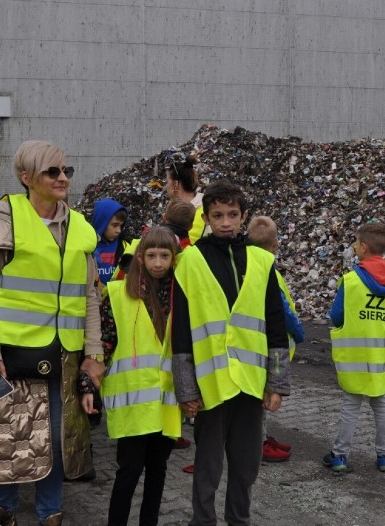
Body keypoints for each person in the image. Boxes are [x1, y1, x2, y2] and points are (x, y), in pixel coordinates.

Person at [0, 140, 103, 526]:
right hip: (14, 355)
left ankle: (50, 514)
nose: (62, 178)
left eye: (66, 171)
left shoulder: (79, 227)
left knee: (57, 440)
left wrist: (93, 354)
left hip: (64, 355)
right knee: (10, 441)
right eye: (52, 172)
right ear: (26, 177)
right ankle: (5, 510)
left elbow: (89, 296)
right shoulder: (5, 220)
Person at [171, 179, 290, 526]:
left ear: (243, 216)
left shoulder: (261, 262)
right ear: (205, 218)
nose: (225, 222)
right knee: (207, 466)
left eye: (232, 215)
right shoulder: (190, 261)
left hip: (251, 384)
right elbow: (181, 330)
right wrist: (186, 388)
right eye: (218, 215)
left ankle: (239, 520)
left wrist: (277, 382)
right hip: (212, 385)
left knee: (246, 464)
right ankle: (203, 521)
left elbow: (275, 324)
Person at [80, 227, 183, 526]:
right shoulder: (118, 296)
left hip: (166, 402)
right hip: (133, 406)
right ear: (140, 258)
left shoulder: (180, 296)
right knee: (129, 472)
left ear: (174, 259)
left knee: (158, 470)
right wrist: (88, 382)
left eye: (165, 256)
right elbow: (102, 345)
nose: (158, 263)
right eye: (151, 256)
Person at [324, 221, 385, 473]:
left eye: (355, 243)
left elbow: (337, 316)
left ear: (363, 247)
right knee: (381, 402)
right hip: (384, 357)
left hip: (355, 356)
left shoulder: (351, 281)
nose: (353, 248)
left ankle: (339, 456)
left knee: (351, 403)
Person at [246, 215, 307, 463]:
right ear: (276, 244)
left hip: (249, 342)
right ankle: (257, 443)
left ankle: (260, 438)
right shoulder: (266, 270)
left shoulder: (241, 264)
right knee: (262, 396)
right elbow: (283, 311)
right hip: (265, 344)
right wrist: (300, 333)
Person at [164, 150, 208, 244]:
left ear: (175, 184)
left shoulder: (200, 212)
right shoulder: (204, 206)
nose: (166, 186)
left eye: (167, 182)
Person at [90, 198, 129, 293]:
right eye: (115, 225)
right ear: (102, 223)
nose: (119, 230)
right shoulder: (89, 246)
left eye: (121, 226)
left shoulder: (124, 246)